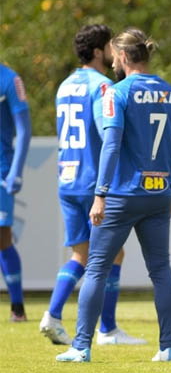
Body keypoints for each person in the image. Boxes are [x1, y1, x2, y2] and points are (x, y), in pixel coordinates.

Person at [56, 28, 171, 363]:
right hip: (158, 194)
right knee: (160, 269)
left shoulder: (116, 93)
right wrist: (168, 189)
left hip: (122, 194)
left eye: (115, 56)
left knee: (97, 267)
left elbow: (111, 145)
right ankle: (168, 346)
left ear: (125, 57)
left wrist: (100, 194)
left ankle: (81, 345)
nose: (113, 62)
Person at [40, 24, 144, 346]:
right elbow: (107, 131)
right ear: (100, 52)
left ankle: (53, 315)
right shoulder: (102, 86)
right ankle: (107, 329)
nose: (114, 53)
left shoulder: (64, 86)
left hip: (67, 178)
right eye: (110, 47)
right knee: (114, 256)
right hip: (91, 181)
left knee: (80, 256)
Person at [0, 63, 31, 322]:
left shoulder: (10, 80)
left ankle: (17, 307)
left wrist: (16, 171)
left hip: (1, 171)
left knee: (2, 238)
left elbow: (24, 130)